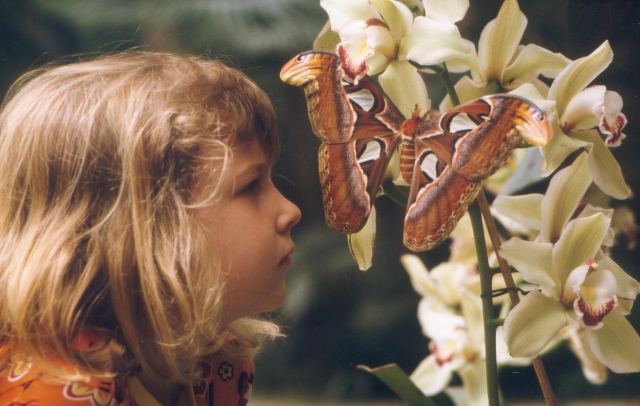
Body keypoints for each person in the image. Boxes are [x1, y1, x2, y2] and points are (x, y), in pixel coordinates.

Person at [0, 51, 301, 406]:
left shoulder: (216, 365)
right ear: (144, 230)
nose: (290, 211)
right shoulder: (55, 390)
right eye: (251, 186)